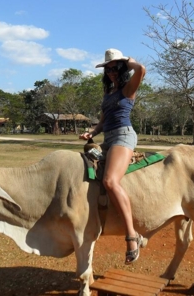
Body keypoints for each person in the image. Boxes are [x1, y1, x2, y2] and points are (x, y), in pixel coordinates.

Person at [79, 48, 146, 265]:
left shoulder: (129, 89)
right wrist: (92, 133)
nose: (111, 72)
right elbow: (102, 120)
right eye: (108, 69)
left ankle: (131, 235)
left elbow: (142, 69)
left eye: (115, 67)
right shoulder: (108, 94)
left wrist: (129, 60)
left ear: (123, 68)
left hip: (123, 137)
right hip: (107, 138)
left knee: (110, 180)